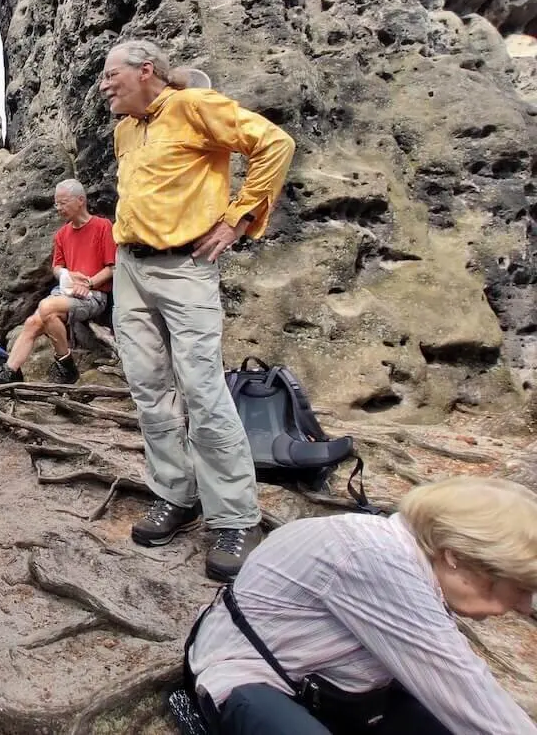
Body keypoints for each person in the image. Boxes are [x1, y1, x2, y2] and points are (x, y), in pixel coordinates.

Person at [98, 39, 295, 581]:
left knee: (203, 389)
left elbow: (273, 143)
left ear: (145, 71)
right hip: (131, 267)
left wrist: (238, 218)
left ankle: (233, 517)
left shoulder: (194, 107)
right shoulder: (125, 129)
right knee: (147, 386)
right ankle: (173, 492)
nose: (103, 83)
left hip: (185, 268)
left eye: (111, 73)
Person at [187, 477, 537, 735]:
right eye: (519, 590)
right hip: (255, 680)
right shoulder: (375, 559)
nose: (524, 607)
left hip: (342, 686)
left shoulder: (408, 550)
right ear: (456, 557)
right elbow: (460, 680)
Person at [0, 179, 115, 385]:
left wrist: (89, 283)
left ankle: (65, 364)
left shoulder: (102, 226)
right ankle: (9, 373)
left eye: (63, 203)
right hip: (65, 293)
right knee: (33, 322)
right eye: (56, 203)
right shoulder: (62, 234)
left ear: (80, 200)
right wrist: (68, 274)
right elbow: (56, 268)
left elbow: (112, 268)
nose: (58, 208)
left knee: (46, 307)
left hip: (93, 296)